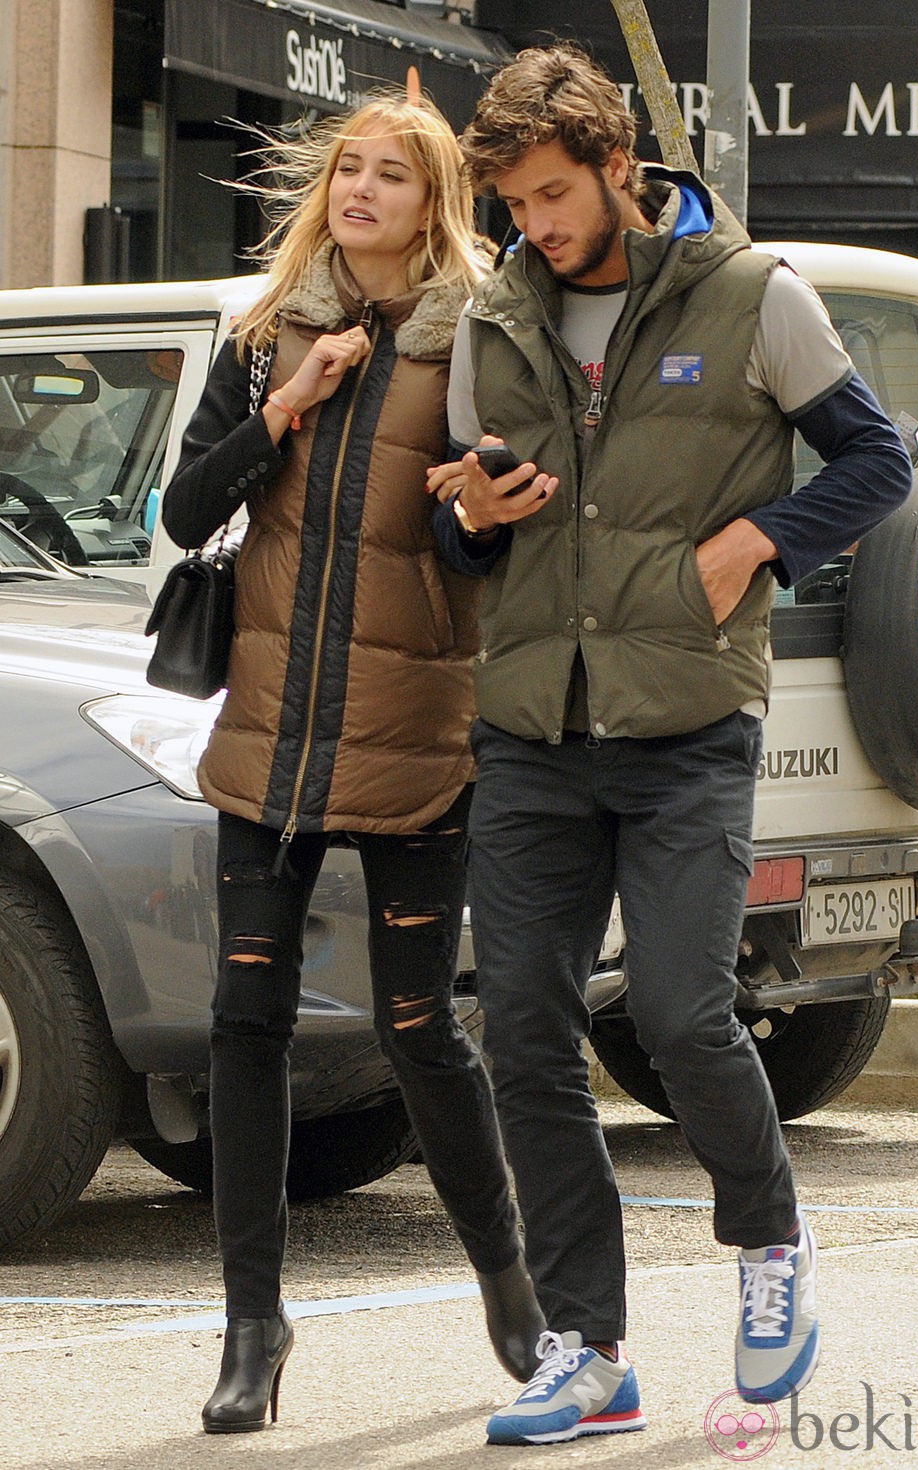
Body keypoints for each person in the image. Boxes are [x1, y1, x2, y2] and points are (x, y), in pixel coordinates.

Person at [425, 45, 913, 1447]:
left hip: (693, 717)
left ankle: (772, 1251)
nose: (536, 224)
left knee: (689, 1011)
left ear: (618, 169)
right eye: (513, 200)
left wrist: (760, 538)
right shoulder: (493, 318)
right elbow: (463, 531)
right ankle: (589, 1347)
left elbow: (877, 462)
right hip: (534, 728)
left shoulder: (757, 297)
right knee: (521, 1025)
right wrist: (477, 514)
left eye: (554, 194)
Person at [161, 93, 544, 1435]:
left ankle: (509, 1282)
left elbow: (470, 548)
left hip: (416, 731)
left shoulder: (476, 341)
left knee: (419, 1024)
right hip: (269, 729)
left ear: (432, 202)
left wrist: (481, 518)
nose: (363, 190)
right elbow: (184, 509)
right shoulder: (269, 335)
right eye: (349, 171)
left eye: (391, 175)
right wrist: (284, 409)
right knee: (243, 1025)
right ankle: (252, 1328)